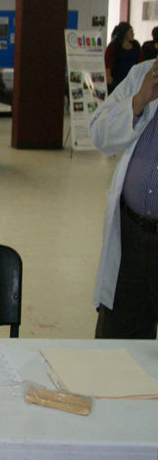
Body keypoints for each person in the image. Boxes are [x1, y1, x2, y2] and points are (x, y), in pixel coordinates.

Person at [89, 57, 158, 339]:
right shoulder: (143, 74)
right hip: (130, 235)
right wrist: (138, 101)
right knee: (116, 344)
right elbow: (98, 133)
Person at [105, 22, 143, 93]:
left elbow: (140, 62)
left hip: (132, 80)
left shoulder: (136, 45)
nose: (133, 34)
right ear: (125, 34)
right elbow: (107, 62)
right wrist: (108, 76)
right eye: (131, 32)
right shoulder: (113, 46)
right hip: (116, 80)